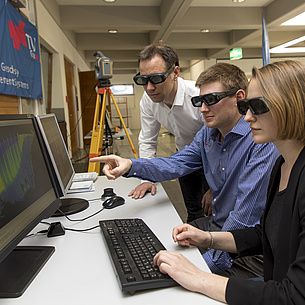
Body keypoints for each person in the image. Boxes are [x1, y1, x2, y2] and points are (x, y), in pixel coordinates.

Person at [90, 62, 280, 275]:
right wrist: (131, 165)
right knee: (157, 241)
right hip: (216, 225)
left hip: (243, 245)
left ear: (239, 97)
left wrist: (199, 269)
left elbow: (242, 222)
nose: (203, 109)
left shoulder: (261, 141)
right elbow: (176, 163)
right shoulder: (208, 134)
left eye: (211, 100)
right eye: (199, 101)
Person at [152, 60, 305, 304]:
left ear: (291, 106)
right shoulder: (283, 165)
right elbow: (262, 234)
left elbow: (293, 296)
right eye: (245, 107)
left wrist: (199, 277)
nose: (247, 117)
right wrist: (208, 238)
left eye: (257, 106)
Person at [131, 43, 209, 223]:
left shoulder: (197, 96)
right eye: (143, 80)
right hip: (184, 157)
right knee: (194, 214)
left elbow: (218, 141)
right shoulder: (148, 100)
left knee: (217, 212)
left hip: (212, 159)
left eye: (156, 78)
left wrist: (216, 186)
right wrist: (147, 178)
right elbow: (148, 140)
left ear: (175, 73)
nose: (149, 88)